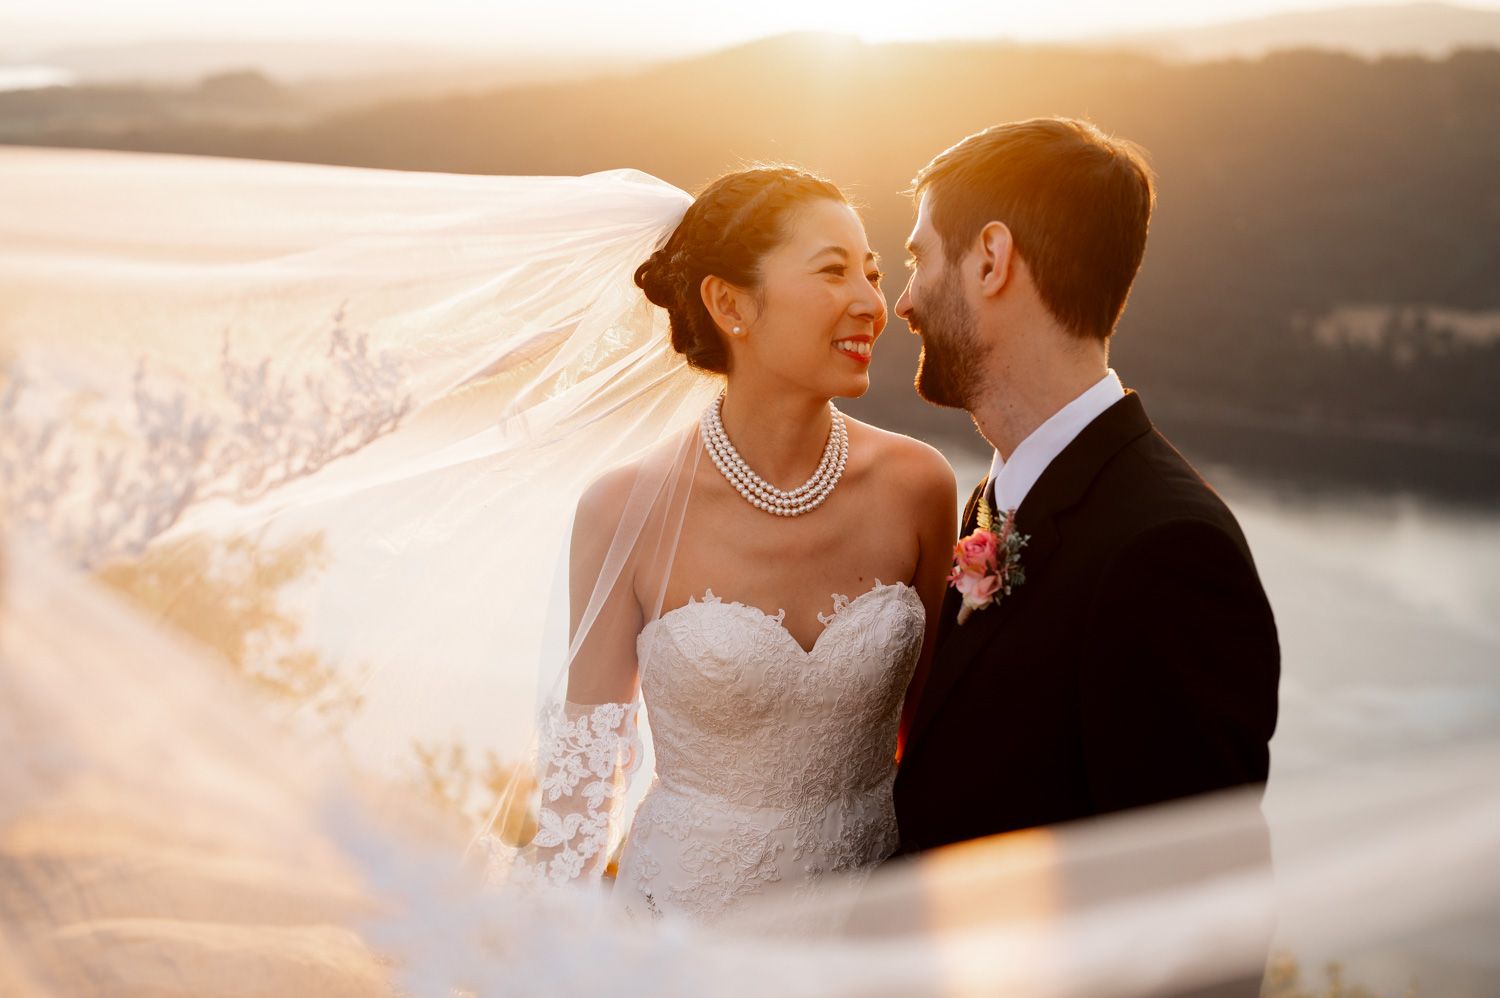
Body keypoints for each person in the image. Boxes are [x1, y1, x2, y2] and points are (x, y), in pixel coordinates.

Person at [530, 166, 957, 922]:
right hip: (677, 936)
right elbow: (583, 788)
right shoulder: (624, 509)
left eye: (872, 272)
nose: (871, 303)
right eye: (833, 272)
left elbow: (935, 745)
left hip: (865, 937)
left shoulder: (918, 487)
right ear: (729, 303)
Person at [890, 118, 1281, 855]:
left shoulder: (1168, 553)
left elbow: (1195, 919)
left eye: (919, 259)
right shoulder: (991, 503)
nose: (903, 303)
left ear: (991, 260)